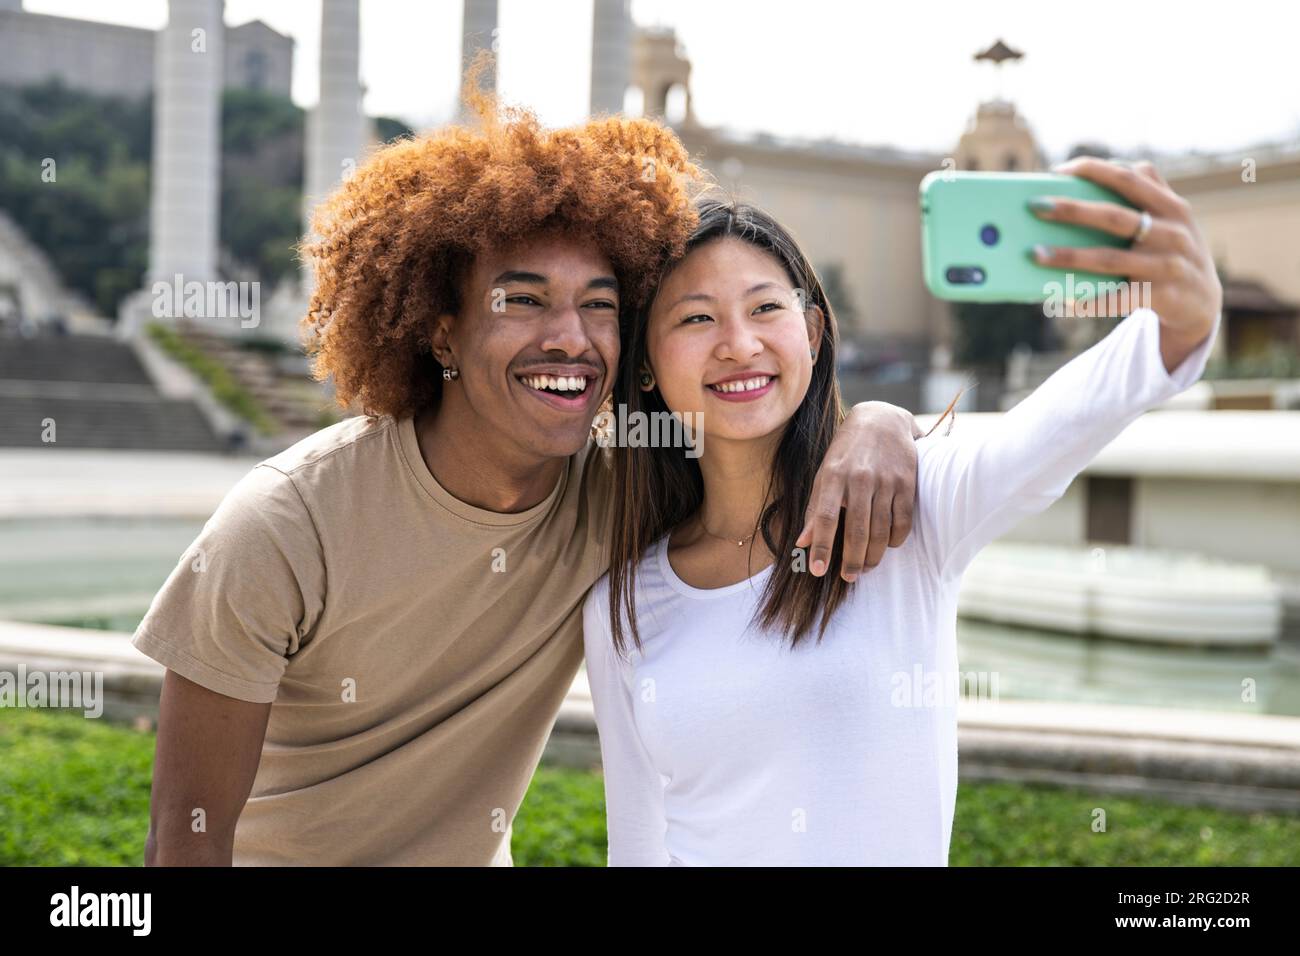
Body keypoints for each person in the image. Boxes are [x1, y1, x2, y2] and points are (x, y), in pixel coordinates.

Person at [130, 72, 922, 866]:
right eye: (523, 300)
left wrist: (877, 424)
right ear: (441, 333)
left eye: (601, 305)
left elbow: (756, 416)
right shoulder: (284, 525)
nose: (571, 339)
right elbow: (184, 842)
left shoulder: (624, 483)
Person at [583, 160, 1222, 866]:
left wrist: (1182, 316)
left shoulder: (911, 512)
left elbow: (1072, 416)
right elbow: (636, 843)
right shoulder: (625, 599)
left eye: (766, 308)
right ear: (643, 365)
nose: (739, 342)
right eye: (697, 317)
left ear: (815, 332)